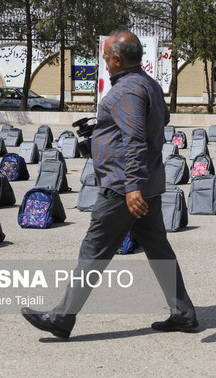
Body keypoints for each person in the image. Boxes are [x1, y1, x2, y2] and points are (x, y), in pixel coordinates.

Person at [21, 31, 197, 339]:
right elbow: (161, 120)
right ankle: (183, 313)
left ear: (117, 59)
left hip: (123, 189)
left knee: (94, 248)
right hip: (149, 182)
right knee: (158, 248)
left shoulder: (127, 91)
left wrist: (131, 187)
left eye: (105, 56)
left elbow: (135, 140)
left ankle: (62, 317)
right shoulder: (148, 84)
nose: (102, 59)